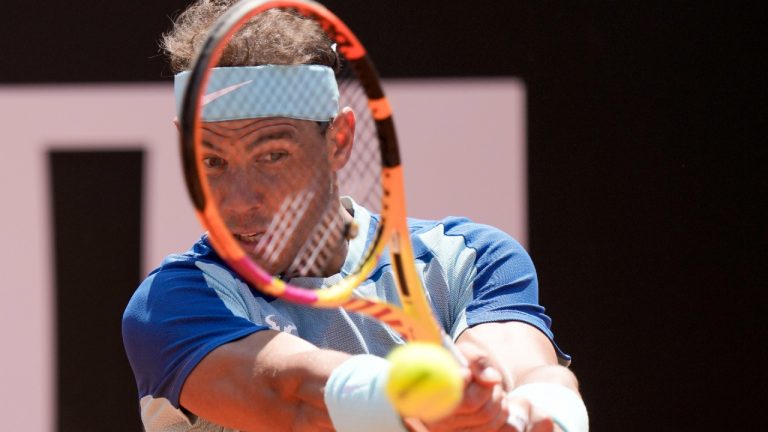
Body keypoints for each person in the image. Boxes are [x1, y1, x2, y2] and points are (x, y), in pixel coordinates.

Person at [122, 1, 588, 431]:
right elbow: (292, 394)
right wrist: (421, 404)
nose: (239, 201)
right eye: (212, 162)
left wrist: (529, 411)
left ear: (339, 141)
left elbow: (527, 370)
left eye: (273, 156)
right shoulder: (170, 304)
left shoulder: (468, 259)